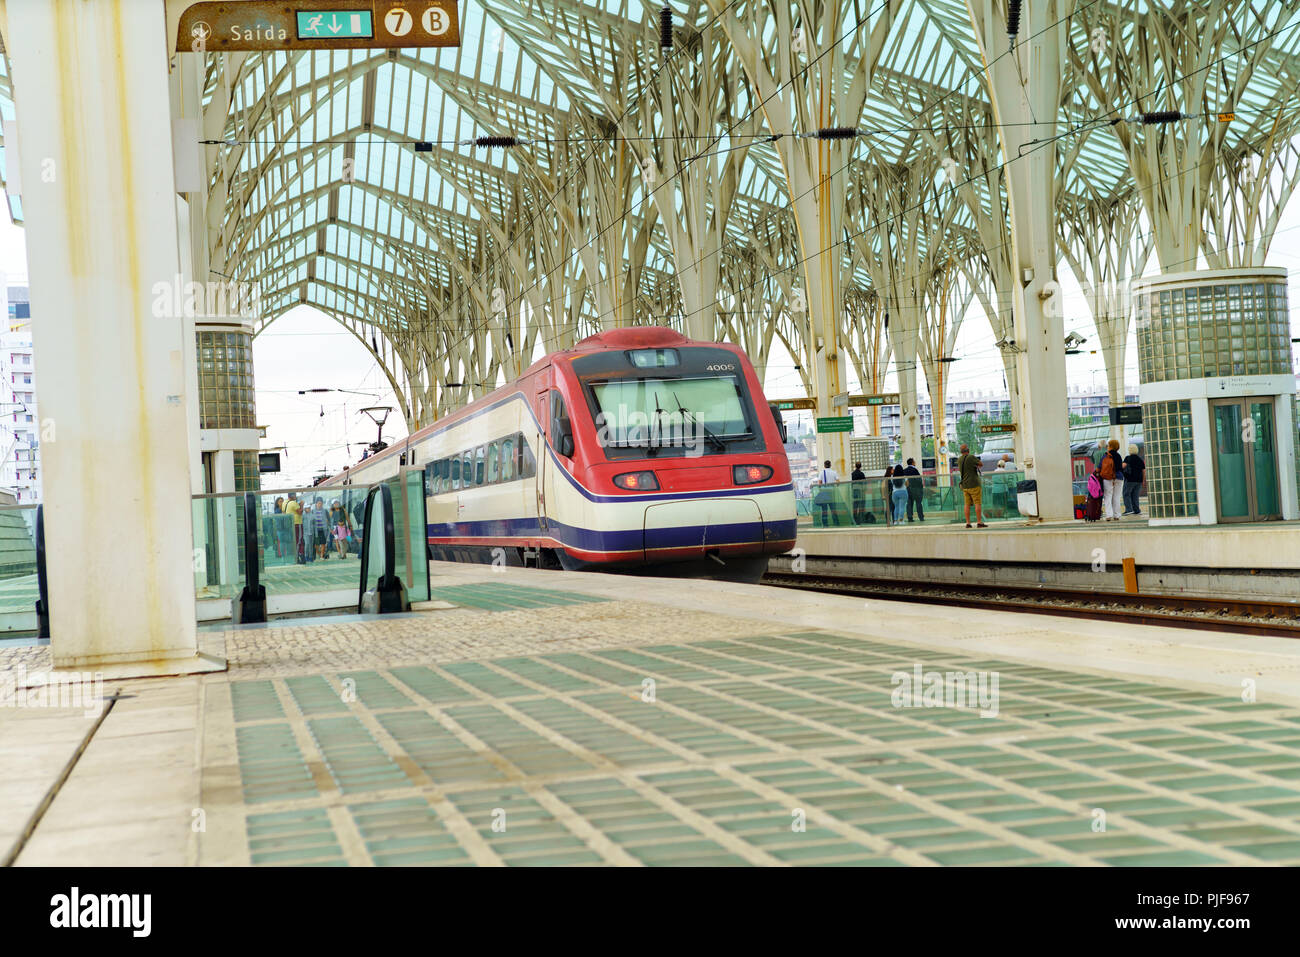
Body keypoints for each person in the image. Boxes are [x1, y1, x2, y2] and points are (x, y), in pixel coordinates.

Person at [958, 443, 987, 528]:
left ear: (961, 451)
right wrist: (975, 465)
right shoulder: (971, 457)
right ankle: (979, 522)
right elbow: (981, 464)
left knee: (967, 504)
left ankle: (968, 523)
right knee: (977, 503)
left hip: (965, 485)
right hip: (974, 484)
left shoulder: (959, 459)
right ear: (968, 450)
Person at [1099, 438, 1125, 521]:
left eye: (1108, 445)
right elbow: (1120, 467)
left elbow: (1100, 466)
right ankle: (1117, 515)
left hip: (1108, 478)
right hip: (1119, 478)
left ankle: (1109, 515)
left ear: (1110, 446)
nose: (1107, 447)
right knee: (1116, 497)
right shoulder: (1118, 456)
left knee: (1108, 496)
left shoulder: (1106, 455)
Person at [1121, 443, 1145, 517]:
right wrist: (1143, 480)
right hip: (1139, 480)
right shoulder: (1140, 459)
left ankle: (1129, 510)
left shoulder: (1128, 458)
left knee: (1126, 494)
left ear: (1129, 450)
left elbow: (1123, 466)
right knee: (1135, 495)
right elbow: (1144, 471)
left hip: (1130, 479)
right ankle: (1137, 510)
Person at [813, 459, 840, 526]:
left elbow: (819, 483)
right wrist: (833, 485)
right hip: (832, 492)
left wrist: (821, 488)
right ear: (830, 465)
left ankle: (825, 524)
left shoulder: (822, 473)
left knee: (824, 510)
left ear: (824, 465)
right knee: (833, 509)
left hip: (824, 492)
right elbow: (838, 482)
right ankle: (836, 523)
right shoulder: (834, 472)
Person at [901, 457, 924, 522]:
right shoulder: (915, 470)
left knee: (909, 504)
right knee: (918, 503)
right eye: (914, 461)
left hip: (907, 489)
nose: (915, 462)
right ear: (912, 463)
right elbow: (919, 480)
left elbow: (903, 480)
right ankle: (921, 517)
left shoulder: (904, 470)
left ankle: (910, 517)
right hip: (916, 489)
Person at [286, 492, 304, 563]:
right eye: (295, 495)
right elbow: (300, 512)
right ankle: (297, 557)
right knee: (299, 540)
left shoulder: (288, 503)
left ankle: (296, 556)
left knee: (295, 541)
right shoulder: (293, 503)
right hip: (297, 523)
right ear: (292, 496)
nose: (296, 497)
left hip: (292, 524)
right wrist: (302, 505)